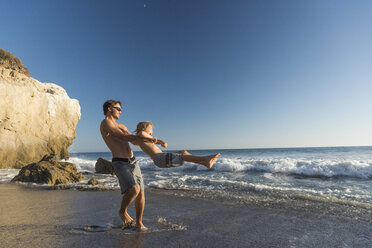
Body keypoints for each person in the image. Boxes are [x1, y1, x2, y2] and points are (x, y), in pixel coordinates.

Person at [100, 100, 156, 231]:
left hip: (133, 162)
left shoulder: (122, 125)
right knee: (134, 189)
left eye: (120, 109)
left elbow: (133, 141)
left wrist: (147, 138)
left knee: (141, 193)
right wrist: (144, 138)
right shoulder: (106, 123)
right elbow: (122, 136)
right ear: (109, 109)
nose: (120, 111)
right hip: (120, 162)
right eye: (118, 109)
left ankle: (139, 223)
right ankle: (122, 212)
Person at [134, 121, 221, 169]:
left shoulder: (147, 139)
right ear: (144, 128)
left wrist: (162, 142)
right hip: (159, 158)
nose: (152, 132)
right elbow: (141, 133)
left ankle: (205, 163)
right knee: (182, 156)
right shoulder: (141, 136)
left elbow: (156, 141)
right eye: (150, 130)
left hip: (162, 158)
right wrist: (151, 138)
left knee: (183, 152)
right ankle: (205, 158)